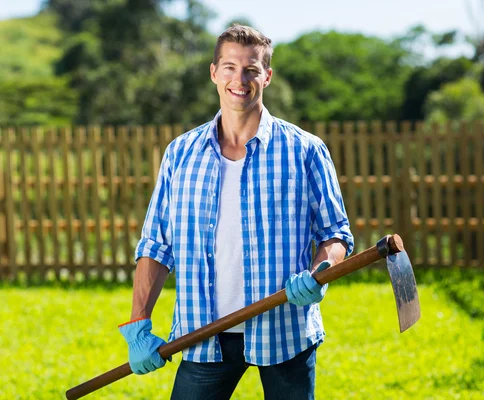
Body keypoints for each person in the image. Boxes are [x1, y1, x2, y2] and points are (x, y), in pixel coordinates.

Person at [117, 24, 354, 400]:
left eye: (251, 69)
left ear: (267, 76)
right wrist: (138, 323)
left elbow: (335, 233)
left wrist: (319, 273)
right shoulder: (181, 153)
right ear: (214, 73)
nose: (239, 80)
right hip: (203, 332)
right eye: (229, 67)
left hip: (285, 330)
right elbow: (156, 245)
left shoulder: (305, 150)